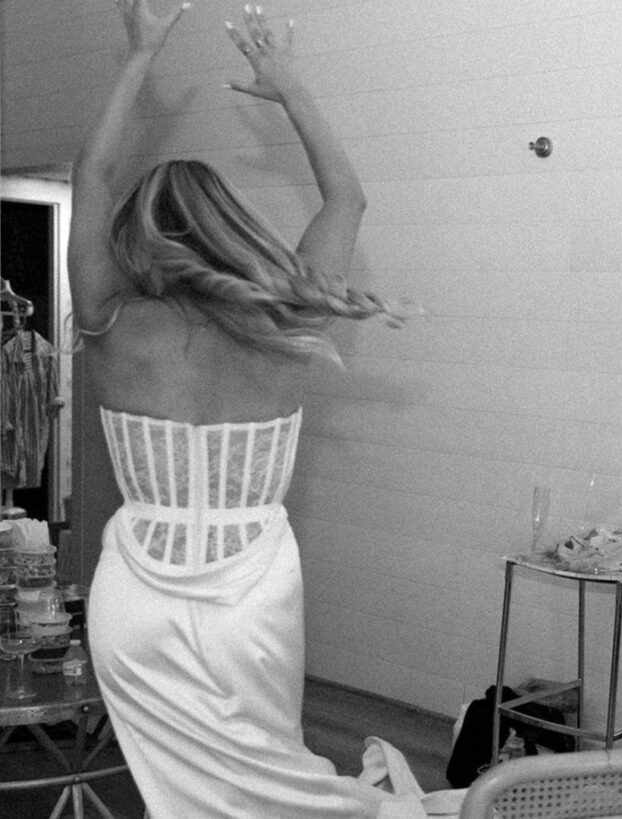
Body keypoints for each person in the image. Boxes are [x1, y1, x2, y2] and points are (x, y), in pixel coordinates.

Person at [69, 2, 424, 816]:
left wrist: (139, 54)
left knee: (180, 799)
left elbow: (89, 176)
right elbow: (348, 199)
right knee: (268, 777)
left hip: (135, 603)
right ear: (231, 229)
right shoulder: (286, 323)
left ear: (135, 236)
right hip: (254, 593)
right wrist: (289, 85)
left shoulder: (110, 323)